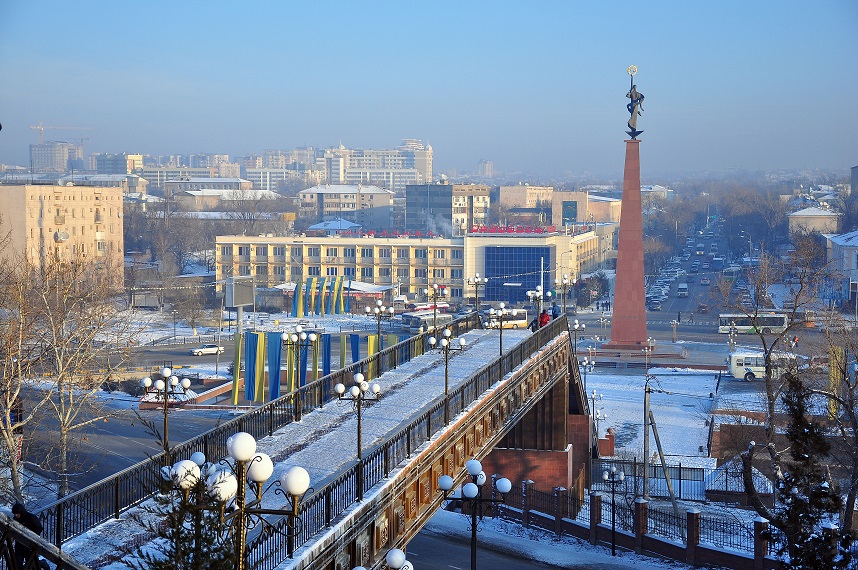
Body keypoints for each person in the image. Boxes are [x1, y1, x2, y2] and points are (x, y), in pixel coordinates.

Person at [12, 502, 47, 569]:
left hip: (30, 544)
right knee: (17, 564)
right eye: (14, 514)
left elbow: (39, 528)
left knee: (31, 563)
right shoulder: (15, 519)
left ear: (21, 512)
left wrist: (31, 536)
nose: (16, 515)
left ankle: (42, 563)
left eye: (17, 513)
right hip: (19, 544)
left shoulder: (31, 517)